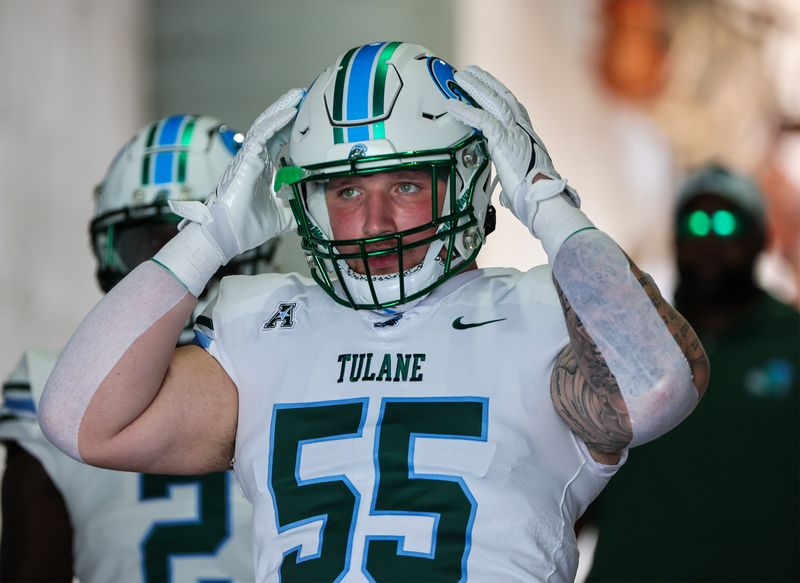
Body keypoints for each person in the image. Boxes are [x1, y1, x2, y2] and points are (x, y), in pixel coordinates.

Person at [38, 42, 709, 582]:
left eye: (408, 184)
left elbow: (656, 388)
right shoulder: (263, 323)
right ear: (310, 201)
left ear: (468, 181)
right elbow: (81, 420)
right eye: (347, 189)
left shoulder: (540, 308)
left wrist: (549, 204)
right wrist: (207, 237)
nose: (375, 220)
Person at [0, 114, 283, 582]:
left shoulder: (53, 386)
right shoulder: (297, 356)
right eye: (150, 244)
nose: (175, 260)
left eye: (189, 239)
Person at [585, 164, 799, 582]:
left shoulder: (792, 342)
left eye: (725, 221)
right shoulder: (627, 342)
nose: (709, 238)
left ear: (761, 238)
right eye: (695, 222)